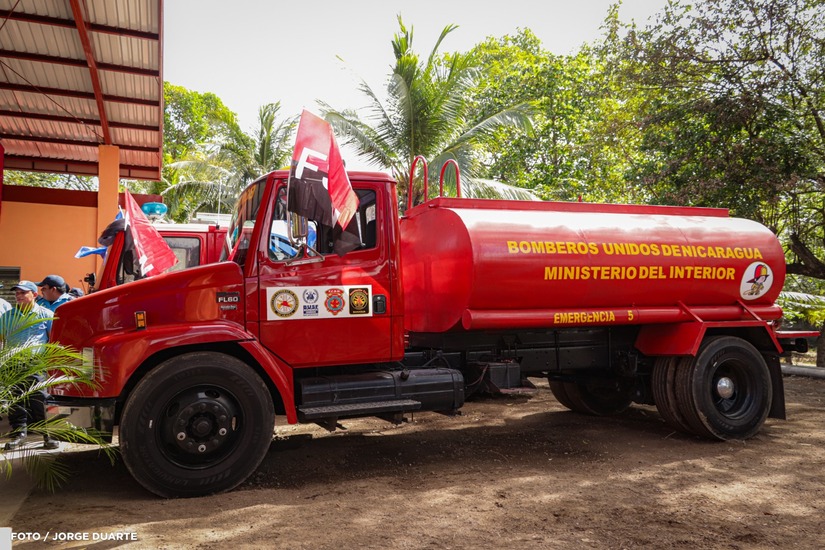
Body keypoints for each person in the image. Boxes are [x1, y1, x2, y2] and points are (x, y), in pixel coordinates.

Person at [1, 281, 58, 450]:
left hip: (36, 365)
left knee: (41, 400)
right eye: (17, 293)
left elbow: (53, 340)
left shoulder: (46, 315)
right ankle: (19, 434)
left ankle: (49, 435)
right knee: (16, 402)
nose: (18, 296)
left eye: (23, 293)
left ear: (34, 294)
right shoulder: (7, 316)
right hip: (13, 365)